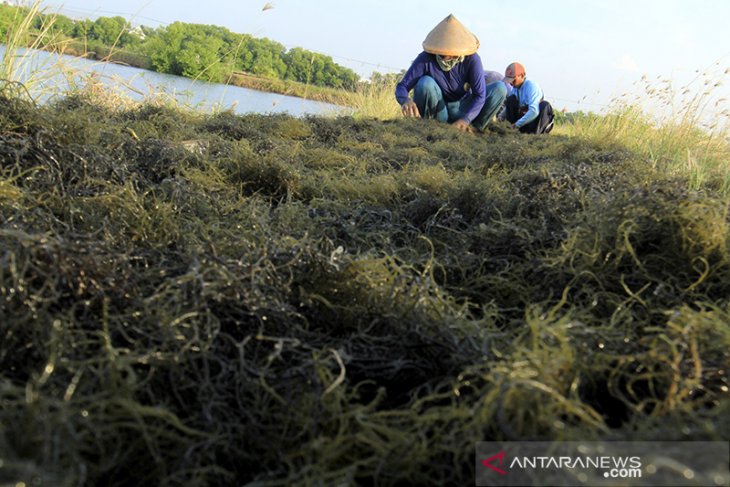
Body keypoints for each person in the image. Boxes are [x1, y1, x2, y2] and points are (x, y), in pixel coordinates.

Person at [395, 14, 507, 132]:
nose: (445, 56)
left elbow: (480, 95)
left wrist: (466, 119)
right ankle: (432, 128)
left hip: (463, 108)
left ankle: (474, 130)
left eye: (449, 51)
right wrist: (405, 100)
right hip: (439, 110)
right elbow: (402, 86)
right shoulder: (425, 58)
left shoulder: (472, 60)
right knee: (425, 82)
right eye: (442, 51)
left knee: (500, 88)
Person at [501, 62, 554, 134]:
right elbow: (507, 108)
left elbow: (534, 111)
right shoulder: (514, 89)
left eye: (513, 80)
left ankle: (535, 134)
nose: (511, 83)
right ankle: (512, 131)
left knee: (545, 105)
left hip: (534, 121)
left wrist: (517, 125)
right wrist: (500, 119)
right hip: (522, 120)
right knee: (510, 100)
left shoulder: (531, 86)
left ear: (521, 76)